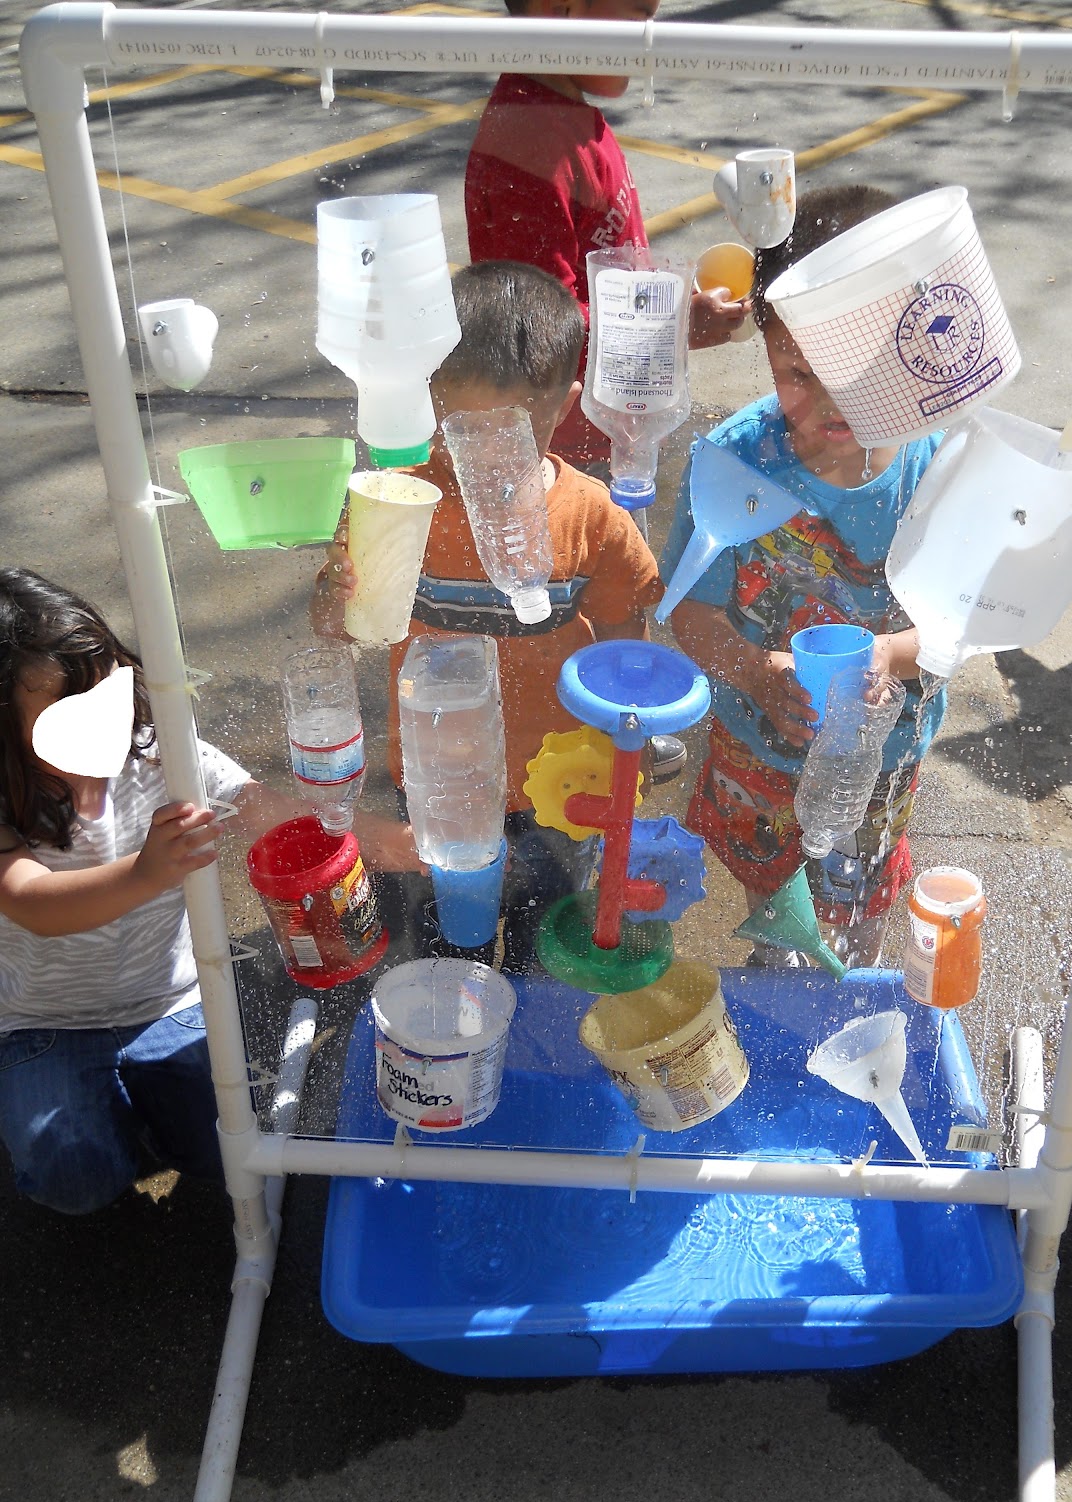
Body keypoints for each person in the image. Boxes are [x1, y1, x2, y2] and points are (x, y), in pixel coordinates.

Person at [0, 568, 422, 1216]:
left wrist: (394, 843)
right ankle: (93, 1124)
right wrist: (145, 874)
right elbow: (31, 902)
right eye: (68, 717)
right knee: (75, 1177)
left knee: (218, 1149)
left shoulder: (159, 754)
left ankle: (130, 1116)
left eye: (106, 695)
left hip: (168, 1000)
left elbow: (263, 807)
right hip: (44, 1023)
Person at [312, 259, 667, 972]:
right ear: (429, 401)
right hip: (436, 778)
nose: (489, 450)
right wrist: (333, 596)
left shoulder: (591, 516)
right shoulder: (396, 502)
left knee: (548, 939)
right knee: (444, 946)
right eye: (463, 426)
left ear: (566, 406)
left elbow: (626, 636)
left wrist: (632, 730)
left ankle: (532, 1009)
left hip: (559, 780)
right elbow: (342, 626)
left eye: (516, 426)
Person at [660, 184, 948, 970]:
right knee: (775, 902)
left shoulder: (936, 468)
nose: (827, 402)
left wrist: (886, 656)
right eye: (798, 372)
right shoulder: (735, 462)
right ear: (765, 336)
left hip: (879, 761)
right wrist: (755, 671)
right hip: (761, 747)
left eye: (858, 375)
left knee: (857, 914)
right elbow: (690, 614)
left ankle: (849, 975)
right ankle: (780, 957)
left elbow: (961, 623)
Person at [464, 0, 748, 467]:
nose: (650, 41)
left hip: (615, 418)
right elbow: (537, 329)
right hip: (570, 447)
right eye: (639, 17)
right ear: (561, 10)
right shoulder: (529, 147)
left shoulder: (563, 117)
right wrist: (670, 328)